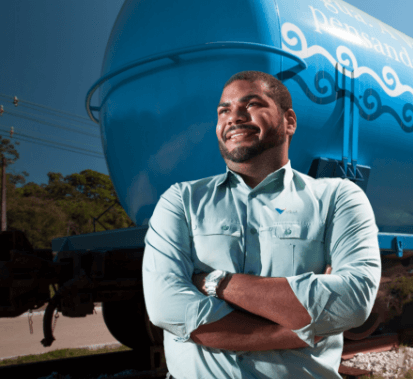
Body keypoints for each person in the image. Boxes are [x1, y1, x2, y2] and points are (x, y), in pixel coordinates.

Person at [142, 71, 381, 379]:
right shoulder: (181, 200)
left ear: (289, 121)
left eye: (251, 104)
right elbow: (166, 306)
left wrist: (216, 283)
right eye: (224, 110)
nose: (234, 117)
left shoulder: (338, 198)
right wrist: (296, 332)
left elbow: (352, 301)